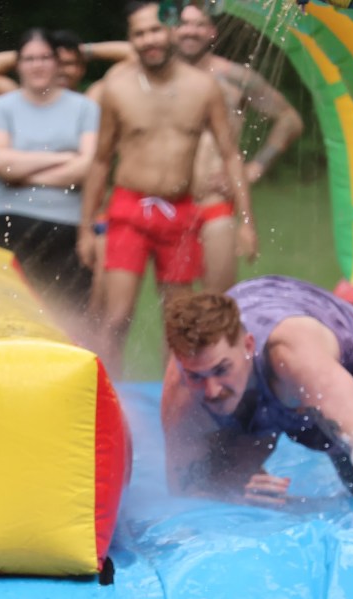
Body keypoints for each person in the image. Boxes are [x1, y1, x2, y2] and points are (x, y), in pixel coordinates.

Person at [78, 1, 257, 378]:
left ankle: (174, 398)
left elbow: (230, 155)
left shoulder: (203, 88)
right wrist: (85, 228)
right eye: (139, 34)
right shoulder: (117, 87)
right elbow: (99, 161)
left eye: (155, 31)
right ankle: (106, 398)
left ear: (173, 32)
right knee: (116, 314)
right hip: (128, 208)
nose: (149, 40)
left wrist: (246, 221)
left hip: (180, 213)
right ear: (131, 40)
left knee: (179, 321)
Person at [159, 276, 353, 517]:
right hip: (268, 363)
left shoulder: (296, 358)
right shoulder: (181, 388)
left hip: (339, 353)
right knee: (220, 471)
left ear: (248, 346)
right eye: (196, 377)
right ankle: (256, 426)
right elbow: (184, 490)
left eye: (221, 370)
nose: (211, 389)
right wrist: (234, 490)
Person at [176, 2, 303, 292]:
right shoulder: (160, 76)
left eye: (199, 25)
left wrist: (255, 167)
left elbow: (289, 119)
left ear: (212, 32)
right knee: (175, 308)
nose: (190, 31)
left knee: (216, 302)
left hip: (214, 199)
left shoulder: (234, 78)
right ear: (173, 30)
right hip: (168, 203)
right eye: (184, 24)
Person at [0, 28, 99, 312]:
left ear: (58, 63)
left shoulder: (85, 108)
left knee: (67, 313)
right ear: (18, 64)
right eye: (29, 59)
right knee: (9, 309)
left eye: (45, 57)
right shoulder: (0, 108)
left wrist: (22, 172)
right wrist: (61, 159)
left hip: (67, 225)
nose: (38, 65)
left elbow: (88, 167)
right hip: (8, 220)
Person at [0, 30, 132, 103]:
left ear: (81, 68)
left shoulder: (91, 101)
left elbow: (134, 55)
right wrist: (34, 51)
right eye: (54, 61)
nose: (60, 70)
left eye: (68, 63)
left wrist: (83, 49)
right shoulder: (19, 101)